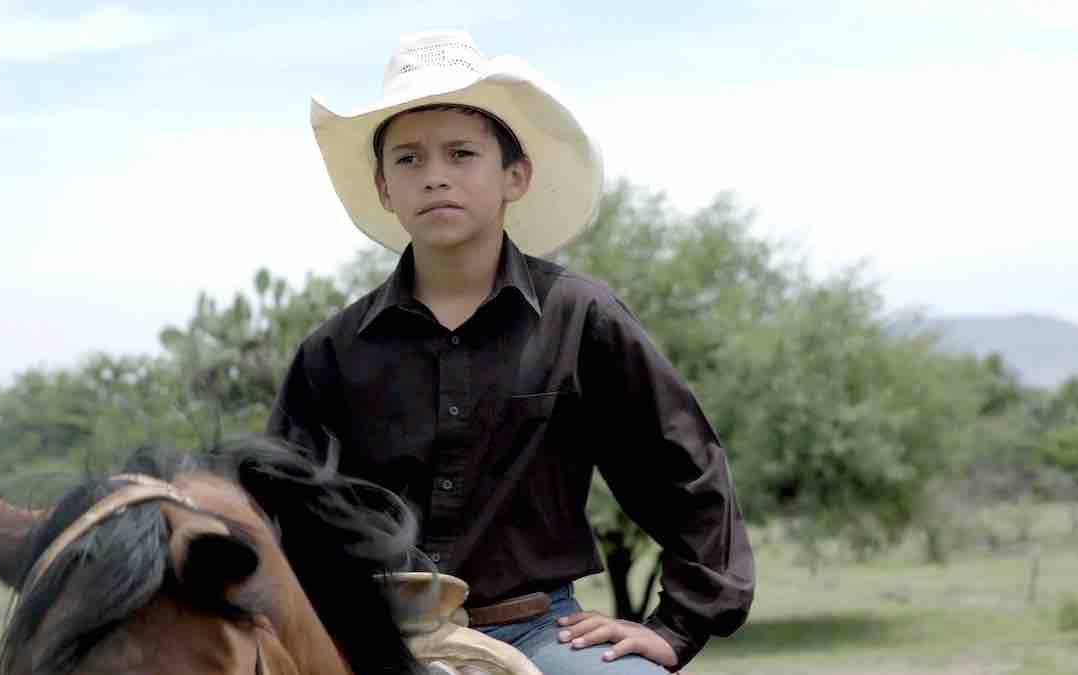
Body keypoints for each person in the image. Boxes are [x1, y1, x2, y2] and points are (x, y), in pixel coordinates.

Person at [267, 29, 755, 674]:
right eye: (408, 160)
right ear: (385, 188)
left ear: (514, 176)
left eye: (462, 153)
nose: (435, 176)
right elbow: (283, 508)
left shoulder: (581, 318)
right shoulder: (333, 350)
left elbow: (684, 468)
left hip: (542, 635)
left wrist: (676, 627)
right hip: (371, 637)